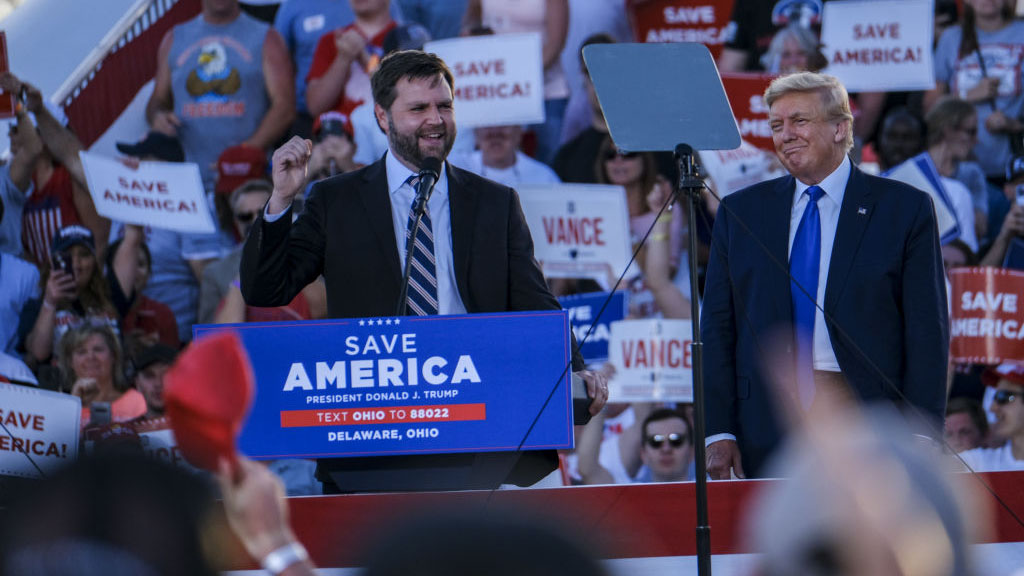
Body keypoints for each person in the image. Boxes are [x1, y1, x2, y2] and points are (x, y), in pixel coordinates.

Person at [240, 49, 608, 491]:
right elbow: (266, 287)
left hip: (482, 424)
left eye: (444, 106)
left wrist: (577, 367)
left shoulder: (495, 202)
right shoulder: (334, 201)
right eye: (418, 108)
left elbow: (535, 300)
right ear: (382, 117)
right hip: (380, 435)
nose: (436, 119)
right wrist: (281, 200)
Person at [702, 72, 949, 479]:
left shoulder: (904, 210)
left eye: (799, 121)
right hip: (765, 418)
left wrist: (923, 435)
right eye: (777, 126)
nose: (786, 135)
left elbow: (927, 329)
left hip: (871, 420)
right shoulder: (740, 212)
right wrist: (718, 431)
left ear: (841, 128)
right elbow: (717, 327)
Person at [146, 0, 294, 192]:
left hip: (245, 181)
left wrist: (243, 154)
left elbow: (285, 107)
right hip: (185, 182)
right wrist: (158, 117)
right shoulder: (174, 38)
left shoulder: (266, 37)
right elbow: (157, 101)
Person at [0, 73, 109, 265]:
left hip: (82, 286)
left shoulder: (70, 180)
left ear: (42, 137)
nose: (10, 136)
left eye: (17, 129)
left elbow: (99, 241)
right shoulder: (20, 186)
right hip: (47, 290)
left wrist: (82, 289)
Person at [928, 0, 1024, 184]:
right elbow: (930, 108)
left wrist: (1013, 124)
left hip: (1015, 167)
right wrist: (968, 95)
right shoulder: (951, 38)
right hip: (960, 167)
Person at [24, 226, 120, 365]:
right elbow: (38, 353)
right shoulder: (37, 307)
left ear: (94, 262)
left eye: (84, 254)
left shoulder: (111, 300)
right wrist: (50, 302)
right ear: (52, 262)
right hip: (57, 385)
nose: (76, 263)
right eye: (67, 255)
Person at [305, 0, 397, 118]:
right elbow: (315, 106)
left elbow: (400, 96)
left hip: (387, 129)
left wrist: (364, 57)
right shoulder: (330, 40)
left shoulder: (405, 37)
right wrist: (342, 58)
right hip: (340, 131)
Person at [58, 324, 146, 426]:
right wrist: (73, 404)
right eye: (82, 352)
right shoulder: (61, 409)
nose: (90, 357)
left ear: (113, 356)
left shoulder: (138, 402)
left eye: (98, 349)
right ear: (70, 362)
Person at [924, 97, 981, 252]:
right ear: (948, 129)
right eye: (971, 131)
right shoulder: (914, 169)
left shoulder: (972, 173)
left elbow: (980, 228)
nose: (976, 140)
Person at [452, 124, 561, 187]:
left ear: (519, 131)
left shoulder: (544, 177)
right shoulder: (455, 170)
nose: (495, 132)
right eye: (488, 125)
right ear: (475, 133)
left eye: (503, 125)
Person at [959, 366, 1024, 471]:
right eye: (994, 397)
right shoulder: (979, 463)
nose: (992, 407)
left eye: (1003, 397)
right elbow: (929, 469)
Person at [132, 343, 178, 420]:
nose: (158, 384)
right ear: (137, 383)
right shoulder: (128, 431)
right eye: (149, 376)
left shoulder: (200, 428)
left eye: (166, 375)